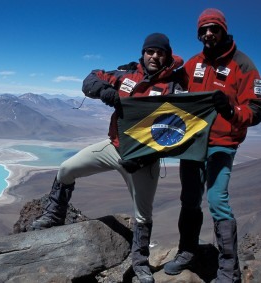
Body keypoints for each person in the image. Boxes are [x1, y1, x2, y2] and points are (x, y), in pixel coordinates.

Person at [30, 32, 186, 283]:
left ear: (167, 56)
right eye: (150, 51)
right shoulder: (127, 75)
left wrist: (147, 156)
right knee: (67, 168)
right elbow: (91, 77)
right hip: (114, 147)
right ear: (143, 53)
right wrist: (104, 91)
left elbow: (178, 129)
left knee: (143, 215)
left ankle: (140, 263)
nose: (154, 56)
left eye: (160, 52)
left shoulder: (174, 86)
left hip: (143, 160)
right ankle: (54, 214)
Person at [163, 8, 261, 282]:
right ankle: (187, 252)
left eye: (214, 28)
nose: (208, 33)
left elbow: (257, 110)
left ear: (223, 30)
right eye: (203, 29)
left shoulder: (243, 65)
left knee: (217, 200)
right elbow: (170, 76)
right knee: (189, 199)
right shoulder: (193, 63)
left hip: (222, 144)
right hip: (193, 143)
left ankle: (228, 271)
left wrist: (231, 111)